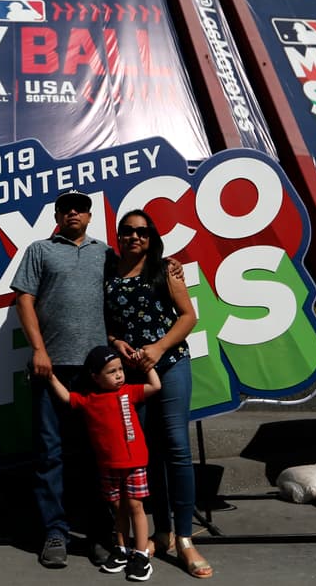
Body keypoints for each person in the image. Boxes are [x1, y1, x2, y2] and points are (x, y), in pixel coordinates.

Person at [104, 209, 213, 579]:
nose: (134, 237)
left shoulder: (166, 269)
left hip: (169, 366)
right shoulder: (109, 275)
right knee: (147, 454)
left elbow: (188, 316)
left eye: (142, 232)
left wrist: (159, 348)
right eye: (127, 232)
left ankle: (184, 538)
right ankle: (161, 532)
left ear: (151, 238)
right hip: (132, 375)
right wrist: (115, 341)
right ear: (119, 237)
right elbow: (105, 325)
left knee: (178, 449)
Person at [12, 189, 111, 568]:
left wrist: (172, 267)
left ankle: (100, 534)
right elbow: (24, 300)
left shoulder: (105, 253)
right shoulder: (40, 250)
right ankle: (55, 533)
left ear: (89, 216)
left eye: (81, 209)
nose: (74, 213)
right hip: (50, 368)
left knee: (98, 453)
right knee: (49, 454)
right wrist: (38, 350)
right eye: (67, 208)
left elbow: (135, 279)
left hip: (97, 372)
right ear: (57, 215)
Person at [49, 346, 161, 582]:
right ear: (95, 377)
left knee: (135, 507)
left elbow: (155, 387)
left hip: (134, 462)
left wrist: (148, 366)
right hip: (108, 465)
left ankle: (141, 555)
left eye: (120, 369)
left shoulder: (129, 392)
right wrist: (50, 377)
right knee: (118, 508)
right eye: (112, 371)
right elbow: (67, 397)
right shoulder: (89, 400)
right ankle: (122, 550)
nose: (119, 375)